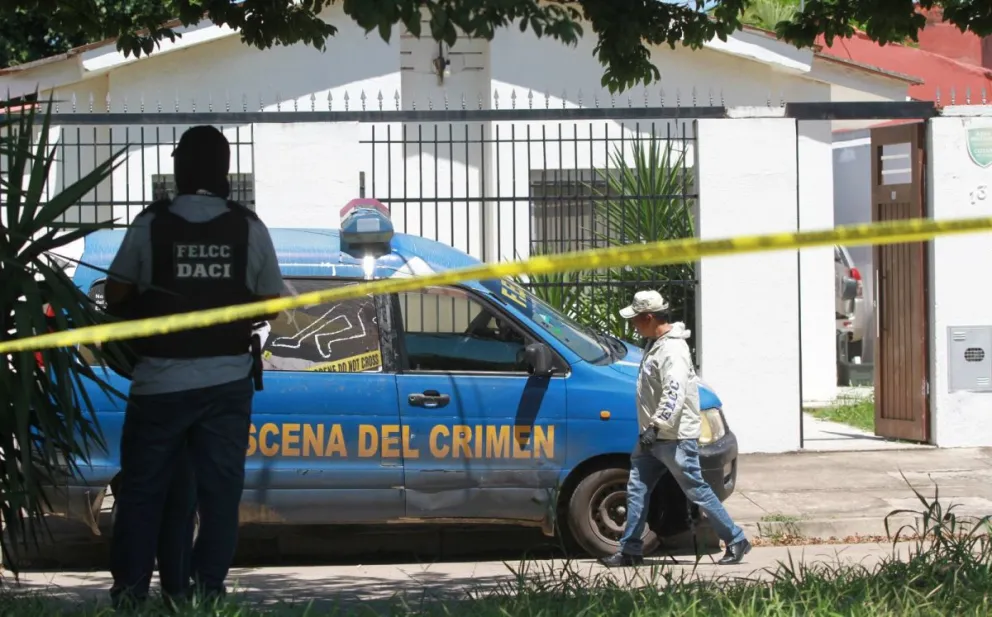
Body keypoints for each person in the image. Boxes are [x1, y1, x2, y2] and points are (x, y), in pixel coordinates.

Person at [103, 125, 283, 607]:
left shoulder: (151, 223)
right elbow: (271, 305)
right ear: (224, 170)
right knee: (219, 496)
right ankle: (204, 593)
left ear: (180, 168)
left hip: (159, 383)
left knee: (143, 494)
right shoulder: (248, 226)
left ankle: (131, 594)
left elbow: (115, 294)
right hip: (226, 384)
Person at [599, 290, 751, 568]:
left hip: (674, 438)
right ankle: (631, 550)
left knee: (696, 490)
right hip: (654, 438)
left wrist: (655, 427)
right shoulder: (656, 344)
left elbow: (674, 392)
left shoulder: (672, 350)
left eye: (636, 319)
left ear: (648, 317)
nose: (633, 324)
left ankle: (736, 539)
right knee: (637, 489)